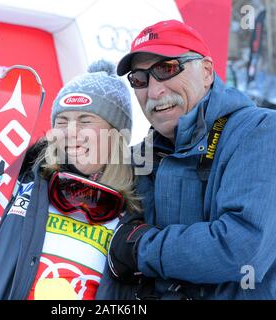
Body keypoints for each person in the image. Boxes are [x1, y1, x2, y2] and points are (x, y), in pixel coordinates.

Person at [0, 60, 140, 300]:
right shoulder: (18, 182)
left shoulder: (139, 203)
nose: (70, 132)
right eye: (62, 121)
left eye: (86, 120)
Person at [101, 19, 276, 300]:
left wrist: (140, 248)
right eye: (139, 78)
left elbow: (242, 250)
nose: (154, 90)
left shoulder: (260, 131)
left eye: (166, 68)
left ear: (207, 72)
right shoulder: (140, 156)